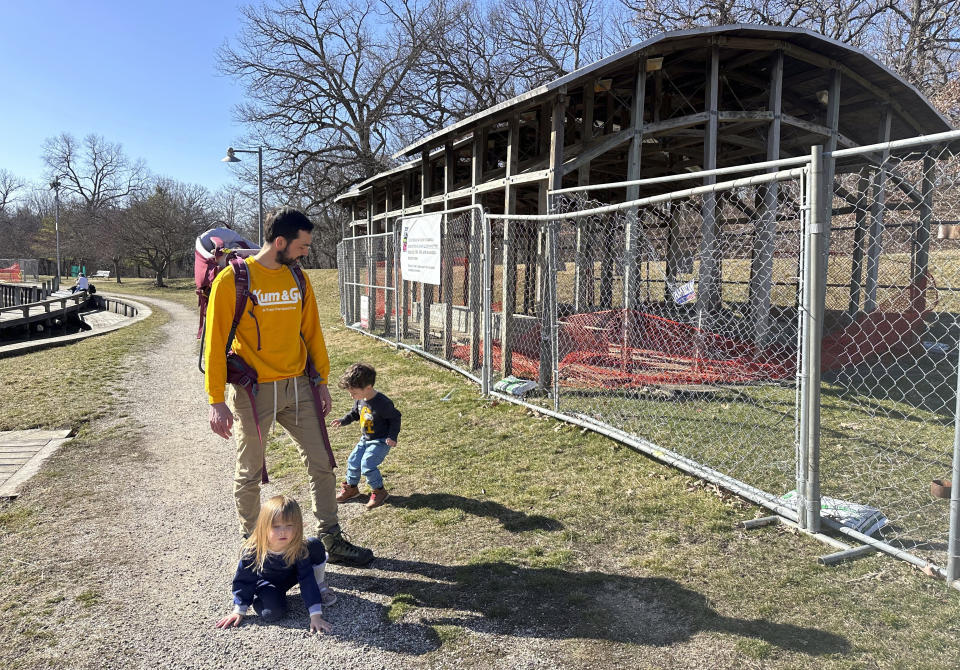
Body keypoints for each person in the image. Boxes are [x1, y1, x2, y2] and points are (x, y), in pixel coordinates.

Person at [205, 206, 373, 566]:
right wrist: (216, 399)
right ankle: (256, 551)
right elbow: (215, 343)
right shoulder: (233, 279)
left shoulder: (298, 278)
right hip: (254, 391)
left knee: (322, 463)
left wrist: (322, 382)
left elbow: (312, 332)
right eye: (302, 246)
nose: (306, 253)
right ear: (280, 241)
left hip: (299, 387)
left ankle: (331, 537)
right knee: (249, 472)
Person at [215, 495, 335, 632]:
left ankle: (320, 586)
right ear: (263, 527)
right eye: (276, 526)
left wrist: (315, 615)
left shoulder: (298, 548)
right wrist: (239, 609)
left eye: (289, 525)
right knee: (272, 614)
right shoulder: (253, 551)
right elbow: (244, 580)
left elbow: (306, 578)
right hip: (268, 582)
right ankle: (262, 597)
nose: (283, 531)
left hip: (290, 576)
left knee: (313, 544)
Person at [331, 363, 401, 509]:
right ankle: (352, 489)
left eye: (354, 392)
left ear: (368, 387)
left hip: (381, 440)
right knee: (353, 461)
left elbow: (395, 417)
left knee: (367, 465)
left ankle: (379, 491)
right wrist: (343, 421)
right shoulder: (360, 399)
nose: (351, 396)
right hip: (365, 439)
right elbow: (355, 413)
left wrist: (392, 436)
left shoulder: (383, 403)